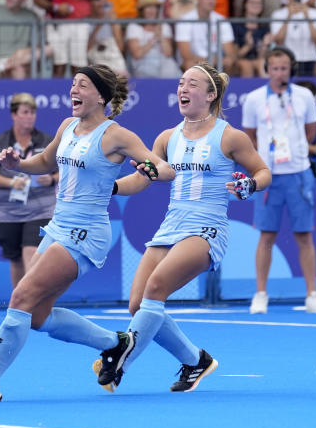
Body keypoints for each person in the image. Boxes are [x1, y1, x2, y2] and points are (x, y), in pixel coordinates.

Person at [0, 65, 175, 402]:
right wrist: (16, 165)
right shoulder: (68, 126)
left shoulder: (116, 135)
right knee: (36, 315)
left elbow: (165, 169)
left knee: (21, 297)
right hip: (58, 227)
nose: (73, 91)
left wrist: (151, 169)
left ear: (100, 96)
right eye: (72, 85)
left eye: (82, 85)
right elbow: (44, 162)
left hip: (86, 232)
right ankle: (116, 343)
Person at [93, 63, 271, 392]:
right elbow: (142, 178)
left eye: (192, 84)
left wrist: (249, 185)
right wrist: (111, 188)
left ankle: (121, 360)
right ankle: (195, 360)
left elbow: (263, 172)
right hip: (171, 223)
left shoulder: (230, 136)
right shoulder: (166, 138)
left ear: (211, 94)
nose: (183, 89)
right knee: (137, 305)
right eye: (180, 83)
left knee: (156, 287)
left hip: (207, 226)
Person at [241, 47, 316, 315]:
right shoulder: (254, 99)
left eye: (285, 68)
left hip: (300, 173)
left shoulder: (304, 96)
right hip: (268, 176)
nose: (280, 73)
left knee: (305, 235)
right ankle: (261, 295)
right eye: (275, 68)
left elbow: (311, 132)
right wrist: (263, 164)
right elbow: (249, 138)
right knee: (266, 235)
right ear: (267, 69)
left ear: (291, 69)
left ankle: (312, 295)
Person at [0, 92, 58, 288]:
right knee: (16, 258)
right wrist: (11, 183)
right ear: (14, 115)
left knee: (31, 253)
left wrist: (51, 179)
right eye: (25, 112)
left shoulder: (47, 141)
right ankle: (19, 302)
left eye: (33, 112)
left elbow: (64, 171)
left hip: (40, 208)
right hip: (6, 211)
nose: (30, 116)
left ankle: (32, 301)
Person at [174, 0, 236, 73]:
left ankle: (224, 87)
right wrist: (210, 61)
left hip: (216, 62)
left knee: (231, 62)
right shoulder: (185, 20)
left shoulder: (221, 20)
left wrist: (227, 59)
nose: (211, 1)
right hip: (197, 62)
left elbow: (230, 52)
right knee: (189, 64)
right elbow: (186, 55)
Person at [269, 0, 316, 75]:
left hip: (310, 58)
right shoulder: (278, 14)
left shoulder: (314, 13)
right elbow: (279, 41)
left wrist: (307, 17)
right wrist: (288, 17)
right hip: (287, 60)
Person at [125, 0, 180, 78]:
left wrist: (160, 35)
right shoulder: (133, 26)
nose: (152, 10)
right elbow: (137, 54)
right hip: (143, 62)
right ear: (142, 10)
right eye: (148, 7)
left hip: (164, 60)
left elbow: (168, 53)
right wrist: (154, 38)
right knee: (149, 71)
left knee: (172, 70)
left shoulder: (164, 26)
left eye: (154, 7)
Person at [234, 0, 273, 78]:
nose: (256, 5)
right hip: (240, 62)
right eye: (252, 2)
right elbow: (233, 56)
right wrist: (248, 46)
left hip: (257, 61)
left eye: (259, 3)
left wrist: (264, 46)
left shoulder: (264, 27)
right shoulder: (235, 25)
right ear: (245, 4)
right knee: (246, 64)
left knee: (262, 63)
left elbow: (261, 57)